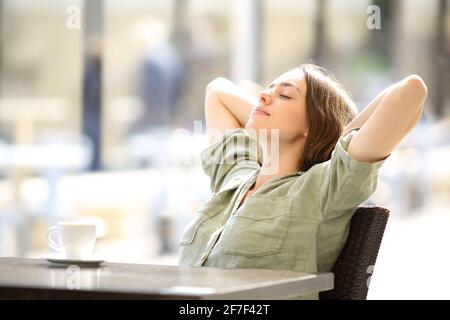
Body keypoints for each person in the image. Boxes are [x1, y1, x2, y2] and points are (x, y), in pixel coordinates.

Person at [178, 64, 428, 299]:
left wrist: (333, 136)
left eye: (285, 96)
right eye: (266, 91)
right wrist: (269, 114)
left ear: (314, 123)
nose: (263, 97)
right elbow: (217, 91)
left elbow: (410, 91)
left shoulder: (322, 188)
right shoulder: (236, 177)